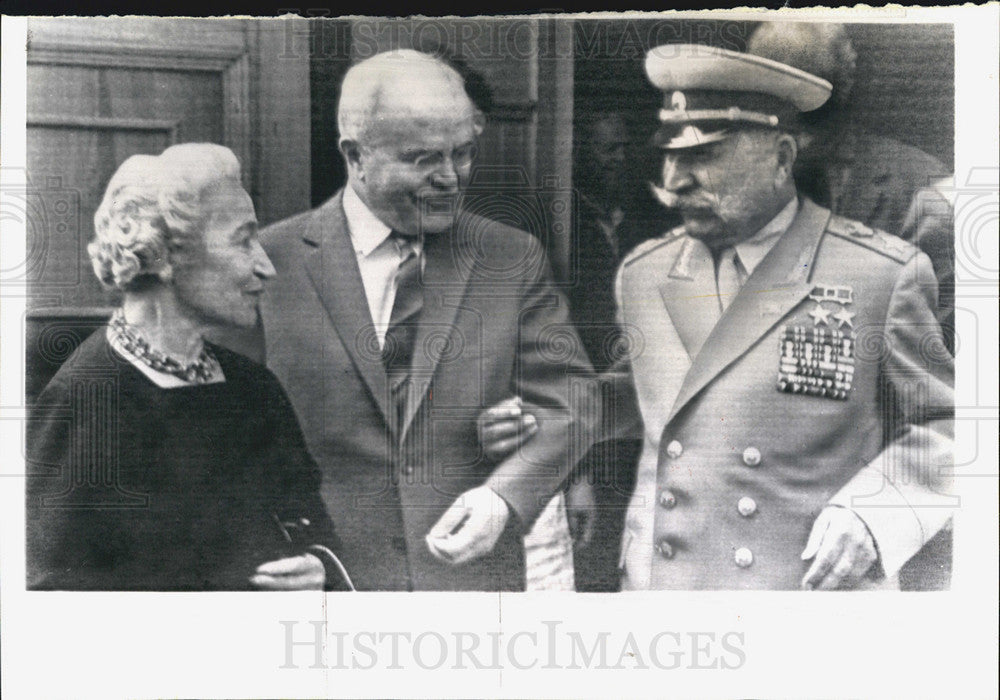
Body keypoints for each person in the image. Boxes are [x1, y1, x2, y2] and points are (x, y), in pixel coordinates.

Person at [232, 50, 594, 591]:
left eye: (463, 153)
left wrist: (504, 496)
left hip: (471, 589)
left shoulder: (510, 258)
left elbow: (572, 402)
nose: (451, 177)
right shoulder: (268, 263)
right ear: (355, 157)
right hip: (326, 586)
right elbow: (222, 435)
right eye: (424, 159)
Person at [612, 44, 954, 590]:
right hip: (666, 597)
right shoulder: (646, 274)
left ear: (782, 157)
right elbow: (657, 406)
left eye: (702, 155)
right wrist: (545, 411)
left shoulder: (879, 274)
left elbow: (952, 424)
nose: (674, 181)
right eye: (669, 156)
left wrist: (878, 512)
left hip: (801, 602)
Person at [26, 144, 346, 591]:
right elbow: (55, 601)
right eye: (243, 239)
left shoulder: (253, 388)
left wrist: (319, 566)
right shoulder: (84, 401)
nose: (266, 266)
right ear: (166, 254)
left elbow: (312, 524)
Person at [746, 22, 955, 352]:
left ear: (840, 90)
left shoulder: (918, 189)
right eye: (772, 97)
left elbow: (930, 353)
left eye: (809, 105)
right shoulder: (735, 185)